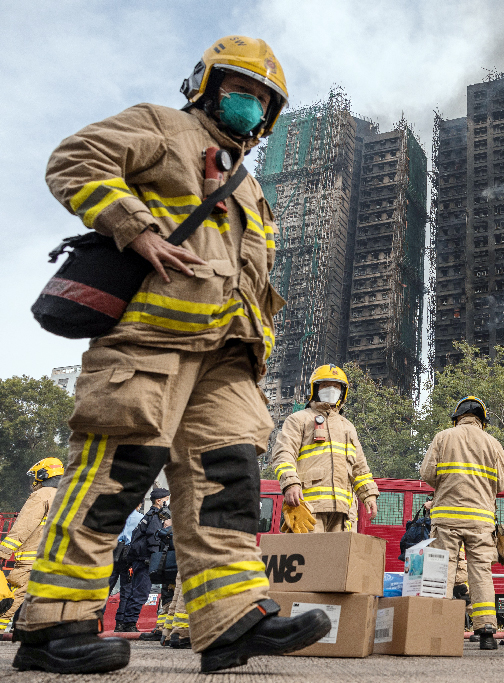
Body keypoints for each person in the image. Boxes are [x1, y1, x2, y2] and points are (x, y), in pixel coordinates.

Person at [12, 36, 331, 674]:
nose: (252, 106)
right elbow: (75, 158)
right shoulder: (164, 128)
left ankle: (232, 619)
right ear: (206, 85)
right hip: (151, 344)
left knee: (230, 484)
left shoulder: (248, 183)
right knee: (115, 478)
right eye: (241, 90)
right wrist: (135, 226)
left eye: (264, 100)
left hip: (229, 359)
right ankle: (54, 624)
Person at [421, 396, 504, 650]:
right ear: (482, 419)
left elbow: (427, 473)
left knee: (443, 571)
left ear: (457, 416)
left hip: (447, 517)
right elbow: (502, 484)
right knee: (481, 573)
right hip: (481, 520)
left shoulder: (443, 437)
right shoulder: (493, 444)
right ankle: (487, 632)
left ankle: (439, 629)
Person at [270, 364, 379, 531]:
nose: (331, 390)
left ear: (343, 392)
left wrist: (369, 495)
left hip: (343, 512)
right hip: (308, 507)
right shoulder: (299, 420)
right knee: (308, 556)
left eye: (336, 386)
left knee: (339, 557)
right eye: (326, 385)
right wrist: (290, 483)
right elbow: (283, 454)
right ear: (315, 389)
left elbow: (360, 468)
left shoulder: (348, 427)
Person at [0, 459, 64, 633]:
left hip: (33, 559)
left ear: (44, 475)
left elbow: (23, 526)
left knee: (11, 598)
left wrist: (3, 552)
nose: (34, 481)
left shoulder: (42, 495)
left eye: (35, 476)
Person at [115, 489, 168, 632]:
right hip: (146, 560)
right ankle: (130, 623)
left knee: (134, 591)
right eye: (166, 499)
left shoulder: (147, 515)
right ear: (159, 501)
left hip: (139, 558)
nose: (168, 502)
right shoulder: (154, 516)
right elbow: (153, 537)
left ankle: (126, 622)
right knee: (142, 593)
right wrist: (155, 557)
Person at [109, 503, 145, 595]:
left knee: (108, 583)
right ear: (139, 505)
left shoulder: (117, 516)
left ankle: (99, 608)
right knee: (126, 586)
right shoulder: (141, 518)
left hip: (114, 549)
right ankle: (122, 609)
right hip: (129, 551)